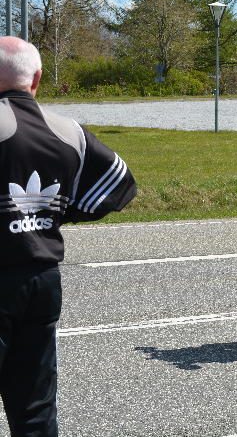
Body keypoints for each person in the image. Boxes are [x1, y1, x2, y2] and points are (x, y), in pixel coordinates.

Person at [0, 37, 136, 436]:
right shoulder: (68, 130)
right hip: (41, 280)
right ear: (37, 78)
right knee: (35, 413)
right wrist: (56, 212)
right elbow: (120, 182)